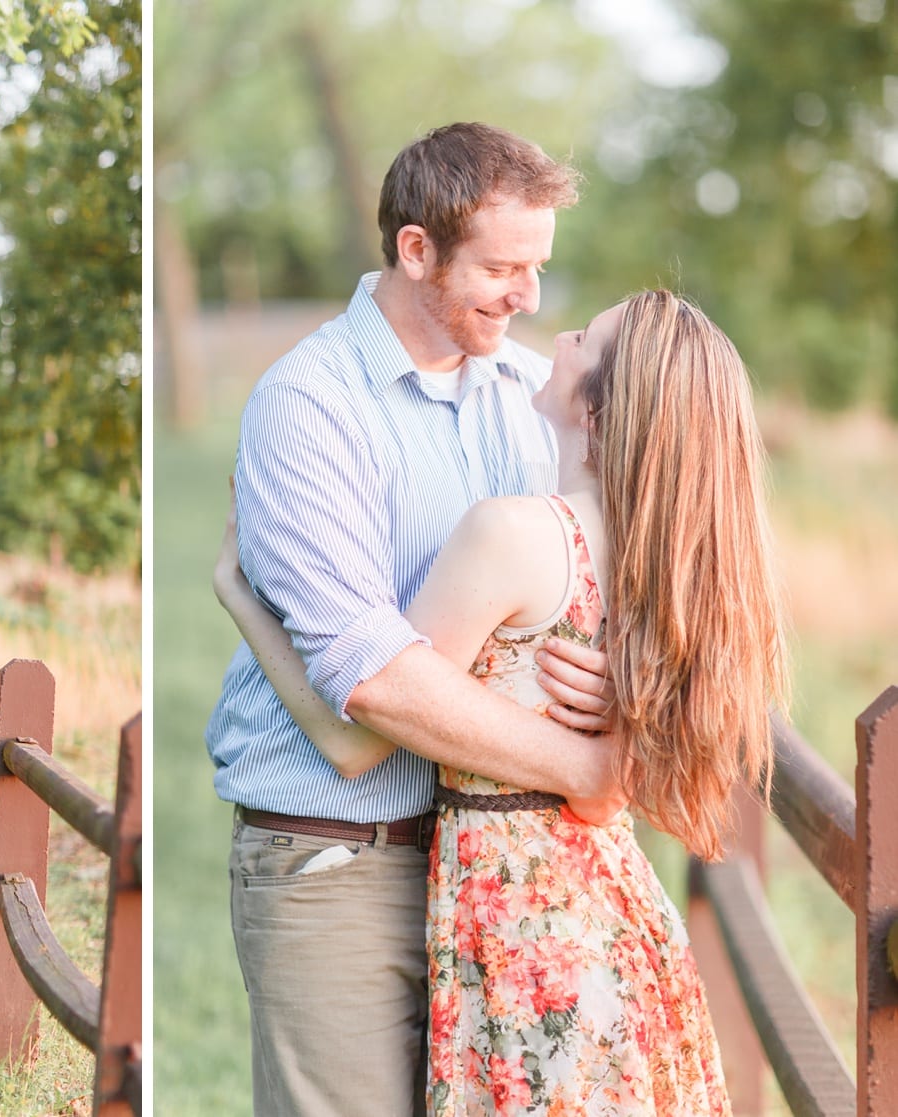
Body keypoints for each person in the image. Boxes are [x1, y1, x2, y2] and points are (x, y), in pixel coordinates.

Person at [217, 289, 788, 1112]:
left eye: (582, 339)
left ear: (599, 410)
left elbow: (355, 734)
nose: (553, 334)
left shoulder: (510, 533)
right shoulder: (664, 552)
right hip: (611, 917)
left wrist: (238, 591)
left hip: (525, 931)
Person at [203, 122, 624, 1116]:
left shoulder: (537, 394)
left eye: (538, 268)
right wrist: (587, 766)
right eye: (503, 268)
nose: (527, 297)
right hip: (342, 861)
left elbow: (598, 580)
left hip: (500, 869)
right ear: (416, 248)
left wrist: (621, 677)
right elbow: (375, 690)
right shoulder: (310, 405)